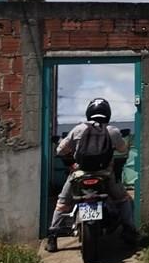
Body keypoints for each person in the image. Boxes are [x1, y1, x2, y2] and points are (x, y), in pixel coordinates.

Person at [45, 98, 139, 253]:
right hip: (105, 175)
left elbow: (60, 151)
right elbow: (122, 150)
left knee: (62, 203)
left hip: (79, 174)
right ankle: (129, 230)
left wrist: (72, 153)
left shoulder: (78, 129)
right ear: (107, 113)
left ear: (89, 112)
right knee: (123, 200)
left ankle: (52, 237)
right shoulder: (113, 131)